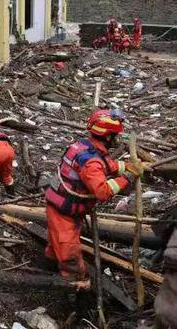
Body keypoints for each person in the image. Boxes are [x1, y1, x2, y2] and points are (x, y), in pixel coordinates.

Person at [44, 109, 141, 287]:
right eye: (114, 135)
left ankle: (50, 268)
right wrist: (126, 178)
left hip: (61, 208)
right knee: (69, 256)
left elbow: (106, 165)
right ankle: (74, 288)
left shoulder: (84, 146)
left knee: (56, 244)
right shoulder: (91, 162)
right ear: (107, 136)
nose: (116, 139)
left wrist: (126, 166)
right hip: (64, 214)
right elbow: (102, 191)